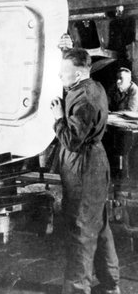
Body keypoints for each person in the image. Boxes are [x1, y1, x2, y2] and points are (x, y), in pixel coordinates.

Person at [50, 48, 120, 294]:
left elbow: (71, 140)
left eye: (64, 71)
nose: (60, 75)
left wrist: (58, 118)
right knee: (98, 225)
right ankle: (110, 284)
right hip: (92, 162)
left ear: (78, 74)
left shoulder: (85, 98)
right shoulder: (91, 87)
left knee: (80, 229)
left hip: (84, 165)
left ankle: (78, 290)